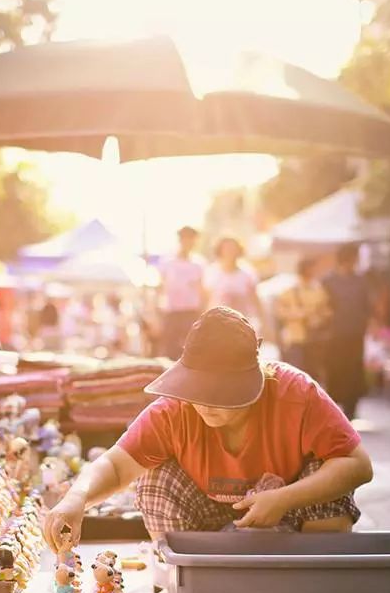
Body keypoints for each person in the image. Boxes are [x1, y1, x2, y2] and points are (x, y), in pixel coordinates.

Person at [42, 307, 372, 551]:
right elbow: (115, 466)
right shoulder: (176, 409)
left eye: (220, 394)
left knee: (327, 470)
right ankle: (191, 583)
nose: (205, 404)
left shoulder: (296, 394)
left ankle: (314, 585)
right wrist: (75, 500)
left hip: (290, 513)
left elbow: (358, 465)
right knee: (155, 481)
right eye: (198, 391)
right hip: (207, 521)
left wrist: (284, 499)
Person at [323, 244, 372, 420]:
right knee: (335, 370)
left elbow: (367, 306)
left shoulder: (360, 281)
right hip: (333, 335)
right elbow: (322, 306)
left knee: (354, 370)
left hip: (355, 333)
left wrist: (370, 324)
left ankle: (351, 410)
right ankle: (334, 409)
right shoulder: (328, 281)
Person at [276, 257, 331, 379]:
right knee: (295, 373)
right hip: (295, 338)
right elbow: (280, 312)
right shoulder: (290, 291)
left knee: (312, 373)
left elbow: (326, 311)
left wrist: (319, 319)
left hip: (313, 339)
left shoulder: (319, 290)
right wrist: (297, 314)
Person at [156, 226, 206, 358]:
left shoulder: (199, 264)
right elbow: (160, 287)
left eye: (191, 239)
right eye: (185, 238)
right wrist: (156, 312)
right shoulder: (167, 262)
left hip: (191, 313)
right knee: (169, 349)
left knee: (191, 349)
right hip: (172, 312)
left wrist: (203, 312)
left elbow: (202, 290)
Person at [205, 236, 262, 326]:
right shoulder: (211, 272)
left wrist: (264, 322)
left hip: (243, 323)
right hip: (217, 323)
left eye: (233, 248)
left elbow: (256, 300)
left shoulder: (247, 273)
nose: (230, 251)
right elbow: (206, 299)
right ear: (220, 251)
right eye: (226, 248)